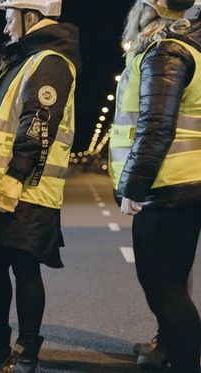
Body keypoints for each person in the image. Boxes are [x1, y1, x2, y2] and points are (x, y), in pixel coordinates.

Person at [0, 0, 80, 372]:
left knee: (26, 271)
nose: (5, 28)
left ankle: (26, 353)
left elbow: (38, 122)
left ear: (29, 17)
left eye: (8, 18)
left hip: (26, 189)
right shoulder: (21, 61)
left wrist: (15, 178)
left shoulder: (50, 61)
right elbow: (9, 118)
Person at [109, 0, 201, 371]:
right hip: (184, 183)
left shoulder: (167, 52)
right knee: (173, 283)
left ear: (148, 14)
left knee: (163, 288)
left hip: (167, 187)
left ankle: (185, 362)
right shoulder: (186, 49)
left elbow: (156, 125)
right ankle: (172, 352)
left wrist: (133, 186)